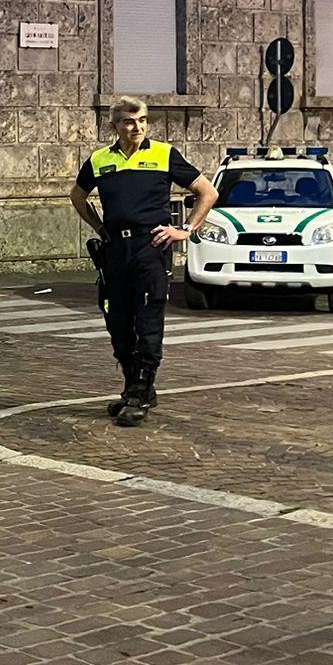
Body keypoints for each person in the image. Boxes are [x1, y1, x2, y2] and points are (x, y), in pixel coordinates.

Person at [69, 101, 219, 427]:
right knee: (117, 319)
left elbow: (207, 193)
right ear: (114, 127)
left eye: (142, 121)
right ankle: (132, 386)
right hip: (115, 250)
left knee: (148, 317)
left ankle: (140, 391)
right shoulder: (99, 160)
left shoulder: (164, 154)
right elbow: (77, 196)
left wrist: (185, 230)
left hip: (151, 246)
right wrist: (99, 228)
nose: (136, 127)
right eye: (128, 122)